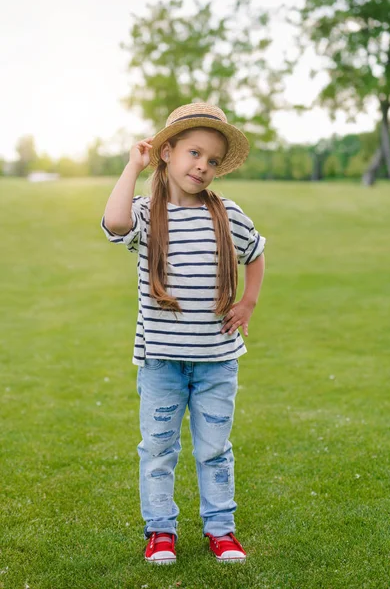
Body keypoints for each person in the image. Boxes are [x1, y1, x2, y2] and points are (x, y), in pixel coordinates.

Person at [101, 102, 266, 564]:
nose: (203, 166)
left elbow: (256, 253)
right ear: (167, 153)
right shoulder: (146, 214)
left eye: (213, 161)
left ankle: (221, 529)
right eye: (194, 153)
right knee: (158, 449)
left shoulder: (227, 214)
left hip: (217, 361)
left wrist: (248, 300)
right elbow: (115, 222)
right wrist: (132, 166)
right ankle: (161, 532)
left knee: (215, 450)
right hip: (161, 364)